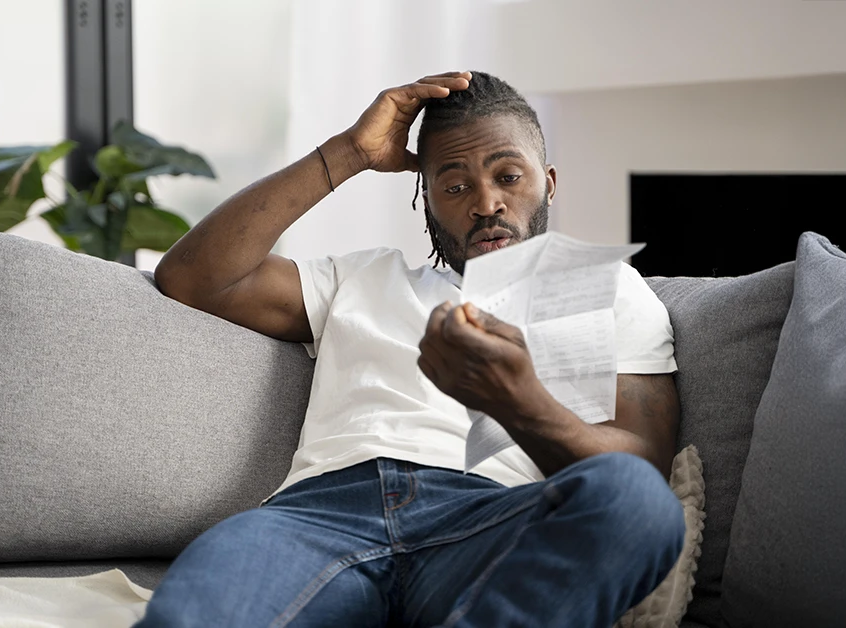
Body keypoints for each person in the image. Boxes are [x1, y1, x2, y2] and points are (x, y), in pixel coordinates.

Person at [138, 71, 684, 627]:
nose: (485, 203)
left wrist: (517, 403)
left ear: (547, 183)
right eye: (454, 186)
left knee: (638, 503)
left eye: (509, 175)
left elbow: (643, 464)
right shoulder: (362, 278)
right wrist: (349, 152)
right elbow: (192, 277)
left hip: (489, 522)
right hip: (320, 519)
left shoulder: (612, 290)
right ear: (426, 203)